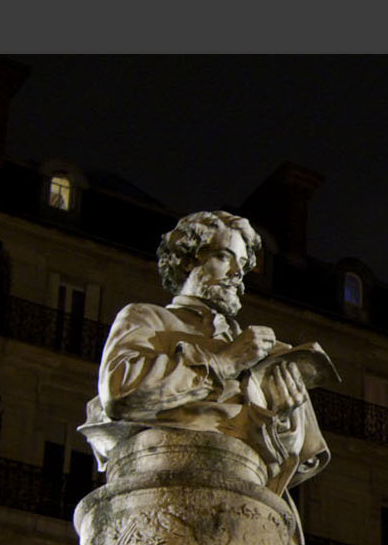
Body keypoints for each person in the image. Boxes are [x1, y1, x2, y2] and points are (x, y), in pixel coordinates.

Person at [81, 211, 333, 496]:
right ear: (188, 260)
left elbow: (296, 461)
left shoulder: (263, 350)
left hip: (246, 492)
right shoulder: (147, 318)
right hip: (161, 479)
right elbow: (119, 390)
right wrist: (224, 361)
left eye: (242, 264)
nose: (237, 273)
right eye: (224, 257)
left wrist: (284, 418)